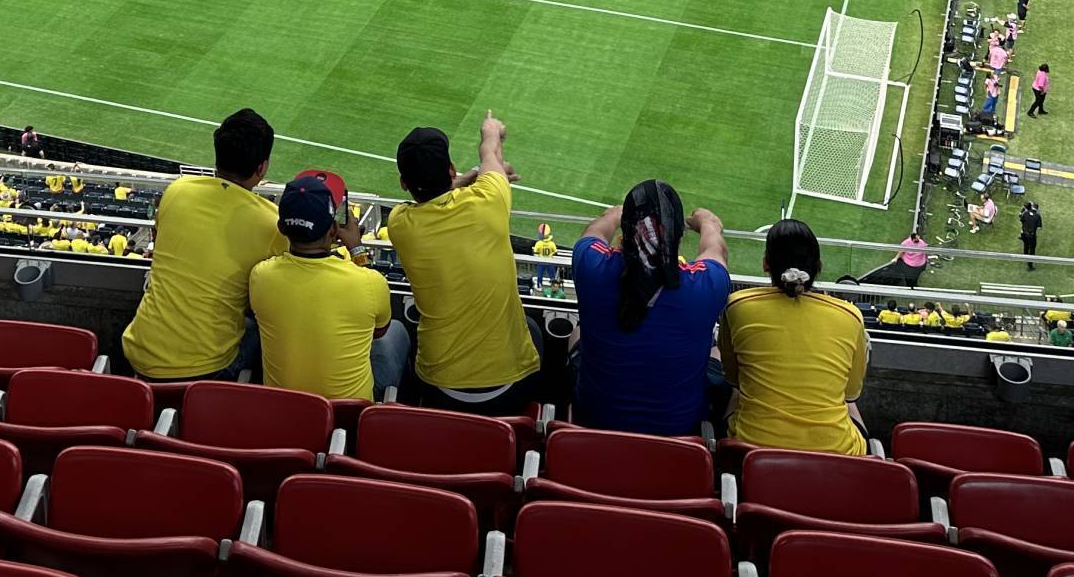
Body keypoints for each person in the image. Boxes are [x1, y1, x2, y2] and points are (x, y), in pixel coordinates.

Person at [388, 114, 543, 413]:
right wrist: (491, 132)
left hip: (438, 388)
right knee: (533, 330)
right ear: (450, 168)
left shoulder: (400, 225)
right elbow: (490, 156)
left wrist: (467, 178)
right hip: (509, 387)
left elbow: (475, 176)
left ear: (404, 184)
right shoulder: (489, 200)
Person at [122, 108, 283, 381]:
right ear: (262, 168)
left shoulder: (177, 190)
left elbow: (160, 245)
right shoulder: (272, 223)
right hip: (208, 369)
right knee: (265, 328)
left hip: (139, 351)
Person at [568, 180, 728, 435]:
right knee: (718, 351)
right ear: (678, 237)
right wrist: (709, 223)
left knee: (576, 332)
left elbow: (593, 232)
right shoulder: (706, 286)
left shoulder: (590, 267)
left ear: (624, 233)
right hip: (678, 437)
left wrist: (614, 214)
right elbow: (715, 250)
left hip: (594, 425)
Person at [248, 172, 409, 401]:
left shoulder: (260, 276)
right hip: (348, 413)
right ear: (333, 230)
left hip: (284, 409)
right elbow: (378, 332)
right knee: (398, 332)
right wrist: (357, 250)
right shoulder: (369, 282)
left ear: (281, 228)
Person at [719, 219, 869, 456]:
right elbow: (850, 394)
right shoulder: (850, 316)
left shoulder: (738, 306)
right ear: (818, 266)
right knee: (849, 405)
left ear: (766, 263)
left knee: (735, 394)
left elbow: (734, 378)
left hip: (751, 451)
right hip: (837, 455)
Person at [1019, 199, 1042, 268]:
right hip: (1031, 235)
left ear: (1032, 207)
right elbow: (1039, 227)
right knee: (1032, 249)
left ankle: (1025, 255)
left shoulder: (1026, 213)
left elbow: (1022, 220)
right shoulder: (1038, 216)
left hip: (1024, 233)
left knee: (1026, 245)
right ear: (1037, 209)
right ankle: (1030, 265)